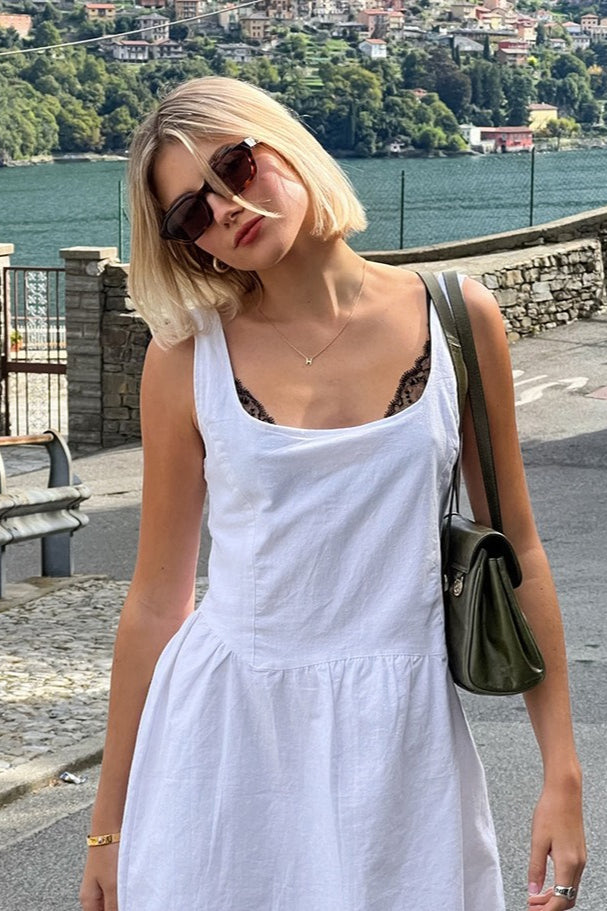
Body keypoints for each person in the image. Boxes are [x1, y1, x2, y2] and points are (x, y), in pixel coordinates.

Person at [80, 76, 585, 911]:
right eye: (190, 213)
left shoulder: (458, 320)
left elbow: (517, 551)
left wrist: (560, 773)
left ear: (283, 142)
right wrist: (107, 827)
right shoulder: (185, 360)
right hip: (223, 745)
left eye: (234, 166)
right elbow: (156, 603)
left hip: (404, 744)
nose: (225, 208)